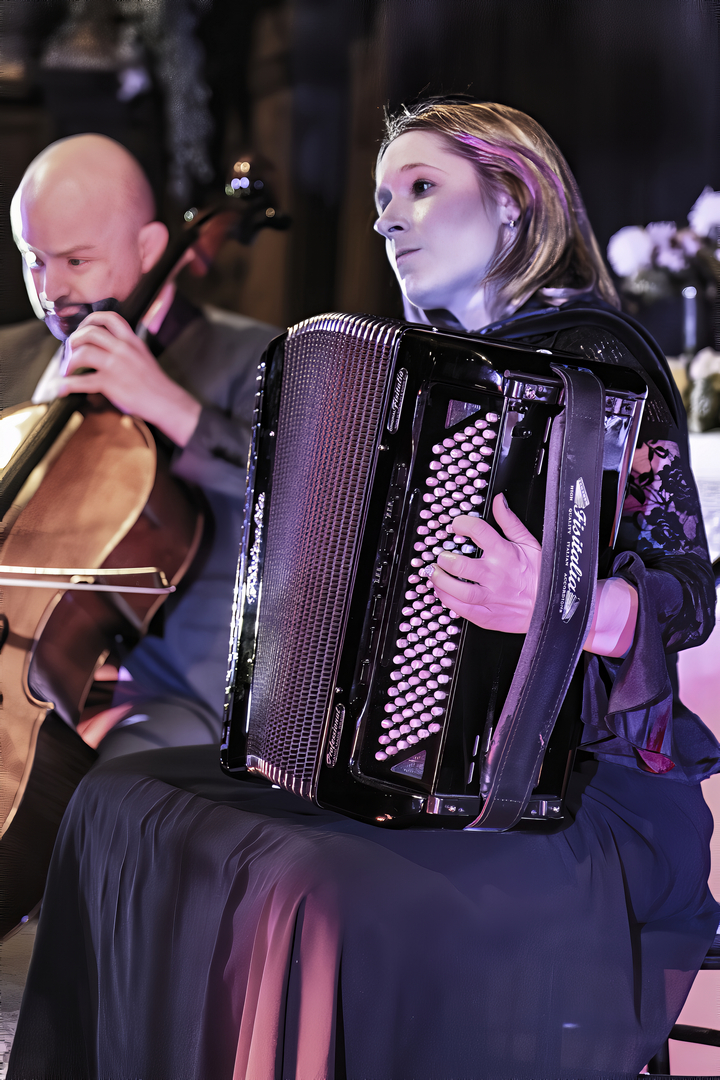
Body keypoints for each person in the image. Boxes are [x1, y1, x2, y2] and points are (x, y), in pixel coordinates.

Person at [9, 100, 720, 1080]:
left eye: (422, 188)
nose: (388, 217)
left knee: (314, 884)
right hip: (415, 777)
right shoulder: (418, 378)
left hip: (575, 793)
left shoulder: (598, 359)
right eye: (383, 196)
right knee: (115, 802)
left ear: (514, 203)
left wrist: (560, 606)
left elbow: (688, 596)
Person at [6, 134, 279, 759]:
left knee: (101, 785)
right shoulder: (8, 359)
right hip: (28, 678)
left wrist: (173, 408)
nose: (50, 290)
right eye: (33, 260)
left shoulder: (258, 359)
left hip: (179, 694)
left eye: (77, 261)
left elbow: (307, 503)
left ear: (151, 248)